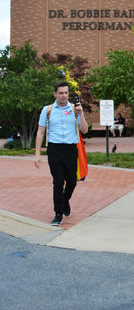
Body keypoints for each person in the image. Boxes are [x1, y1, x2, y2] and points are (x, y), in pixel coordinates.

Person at [34, 81, 89, 226]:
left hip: (71, 149)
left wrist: (80, 114)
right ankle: (58, 214)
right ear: (55, 94)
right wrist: (37, 153)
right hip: (54, 150)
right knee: (58, 182)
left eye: (66, 93)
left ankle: (65, 201)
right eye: (61, 93)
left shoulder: (74, 109)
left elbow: (84, 130)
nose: (64, 96)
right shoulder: (48, 110)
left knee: (71, 181)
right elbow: (40, 132)